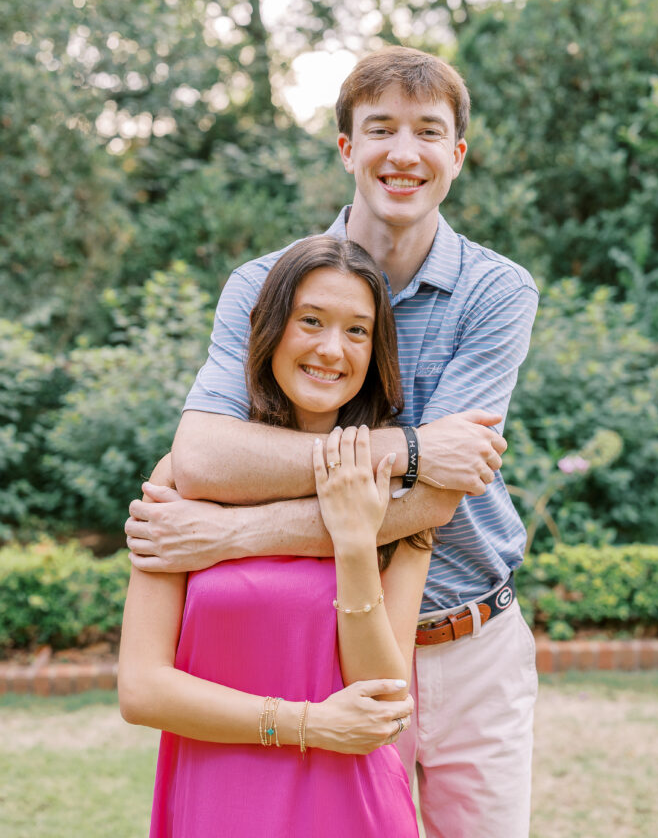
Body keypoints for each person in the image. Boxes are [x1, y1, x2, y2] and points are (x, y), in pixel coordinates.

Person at [125, 46, 539, 838]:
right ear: (346, 147)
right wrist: (411, 451)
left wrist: (231, 533)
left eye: (427, 131)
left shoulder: (495, 291)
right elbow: (203, 458)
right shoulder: (263, 286)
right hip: (316, 644)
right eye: (380, 129)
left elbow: (431, 504)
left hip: (468, 638)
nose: (403, 152)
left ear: (457, 154)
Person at [119, 236, 433, 836]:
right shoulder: (186, 478)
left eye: (358, 331)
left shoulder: (398, 493)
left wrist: (354, 543)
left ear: (376, 352)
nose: (332, 349)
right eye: (310, 320)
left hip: (351, 805)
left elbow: (382, 700)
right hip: (220, 800)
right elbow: (141, 689)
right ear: (269, 329)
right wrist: (306, 725)